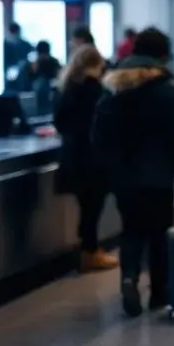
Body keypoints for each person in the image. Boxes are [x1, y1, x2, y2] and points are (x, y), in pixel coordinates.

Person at [91, 28, 174, 318]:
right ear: (161, 56)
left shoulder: (113, 88)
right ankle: (159, 292)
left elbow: (98, 132)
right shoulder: (163, 90)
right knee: (160, 234)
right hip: (158, 175)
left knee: (132, 230)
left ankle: (129, 278)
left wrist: (110, 166)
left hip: (125, 177)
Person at [53, 45, 117, 272]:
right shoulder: (98, 91)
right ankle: (90, 252)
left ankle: (89, 250)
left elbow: (59, 123)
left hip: (72, 157)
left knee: (86, 206)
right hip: (94, 159)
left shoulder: (68, 89)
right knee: (93, 208)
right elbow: (106, 125)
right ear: (97, 64)